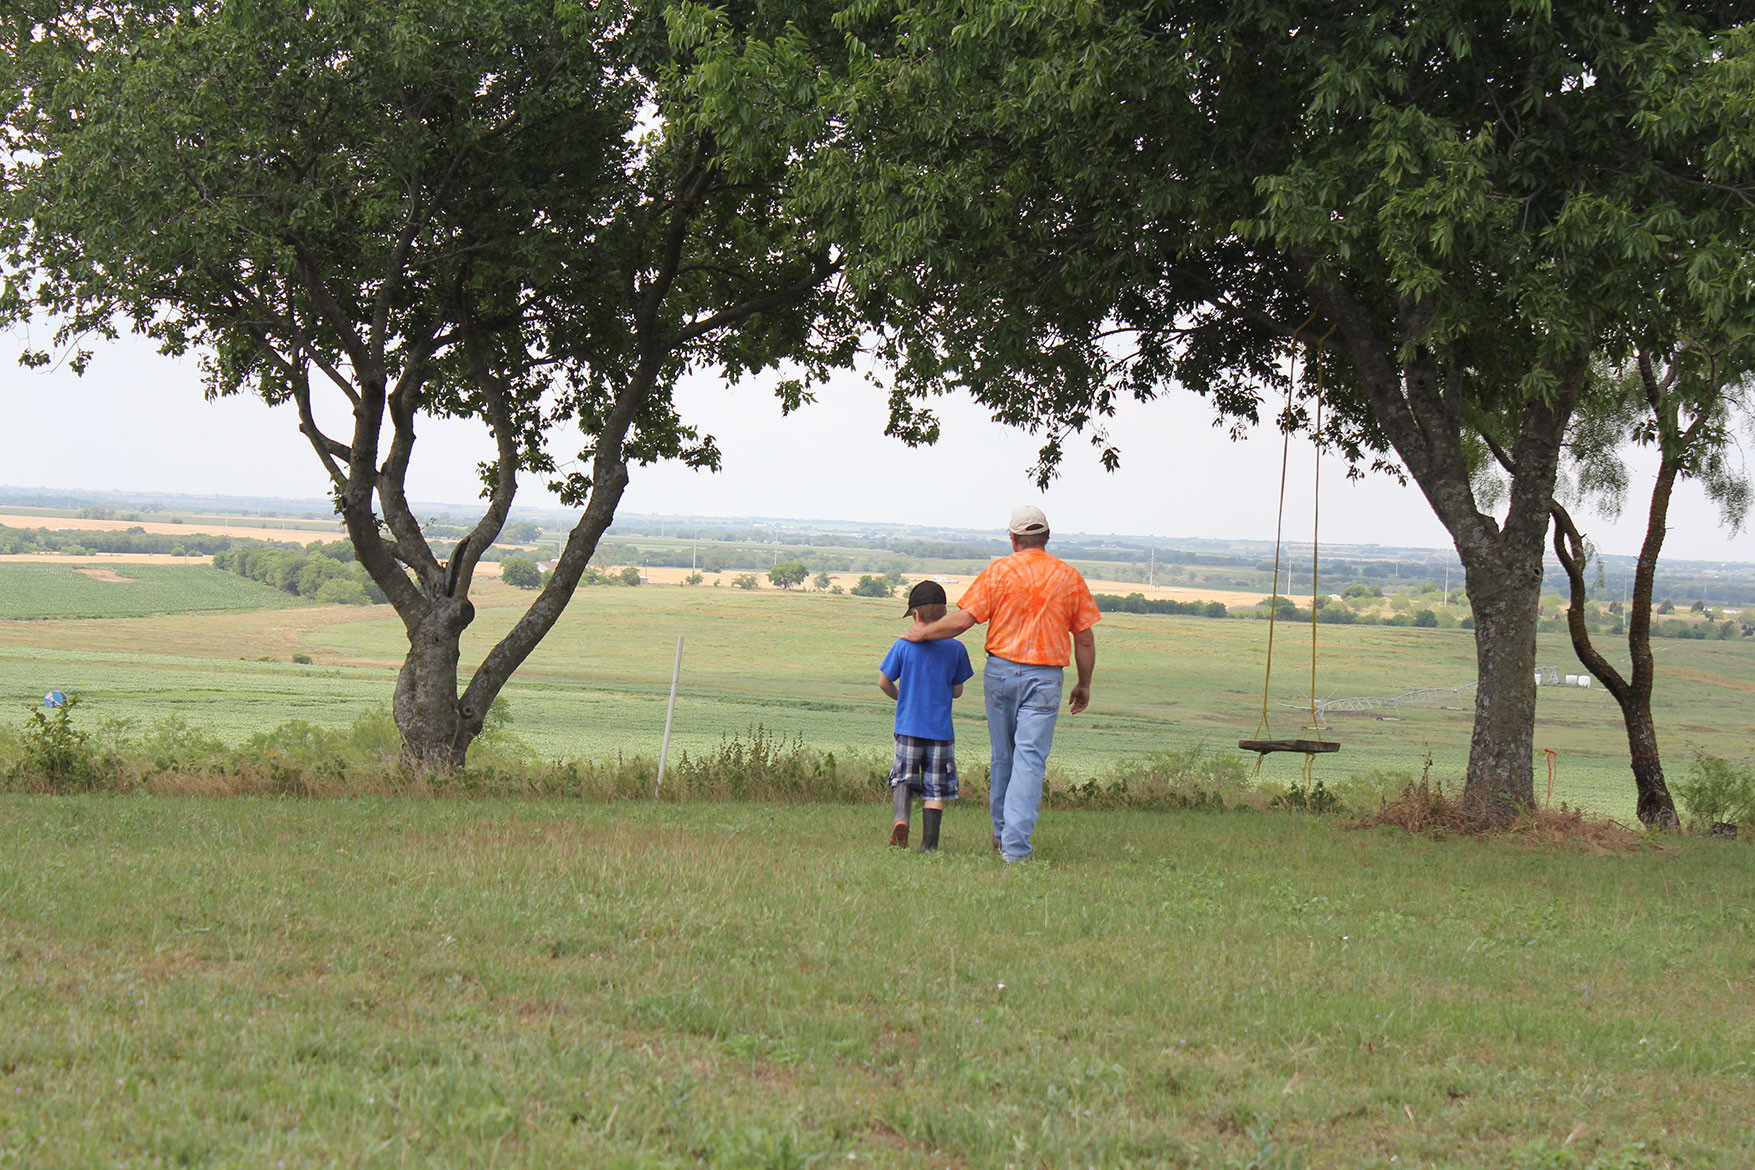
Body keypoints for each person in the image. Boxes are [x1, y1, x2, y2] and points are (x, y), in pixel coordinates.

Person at [904, 506, 1098, 861]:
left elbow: (964, 620)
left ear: (1013, 539)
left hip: (1000, 673)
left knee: (1004, 757)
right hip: (1045, 677)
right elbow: (1083, 639)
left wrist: (922, 633)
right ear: (1047, 538)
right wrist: (1084, 683)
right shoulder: (1069, 576)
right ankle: (1015, 847)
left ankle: (1001, 832)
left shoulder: (999, 571)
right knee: (1029, 761)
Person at [878, 580, 975, 851]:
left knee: (903, 778)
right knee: (936, 789)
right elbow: (957, 691)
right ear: (945, 616)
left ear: (916, 616)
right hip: (940, 732)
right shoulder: (956, 649)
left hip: (908, 726)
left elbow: (883, 682)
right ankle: (929, 845)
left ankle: (901, 819)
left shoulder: (903, 645)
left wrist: (903, 699)